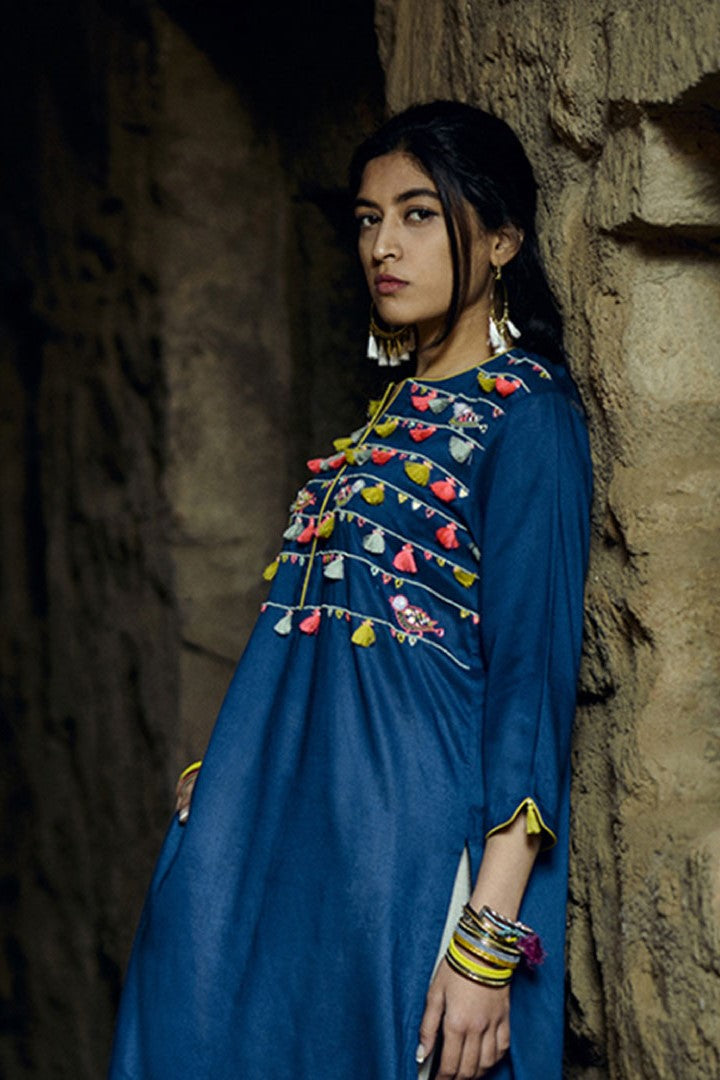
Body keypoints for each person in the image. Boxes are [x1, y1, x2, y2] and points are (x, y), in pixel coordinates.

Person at [109, 100, 592, 1080]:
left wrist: (485, 943)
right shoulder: (385, 417)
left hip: (405, 864)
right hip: (291, 847)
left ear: (502, 239)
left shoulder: (528, 420)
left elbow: (528, 691)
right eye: (369, 219)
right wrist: (240, 763)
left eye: (419, 214)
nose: (383, 245)